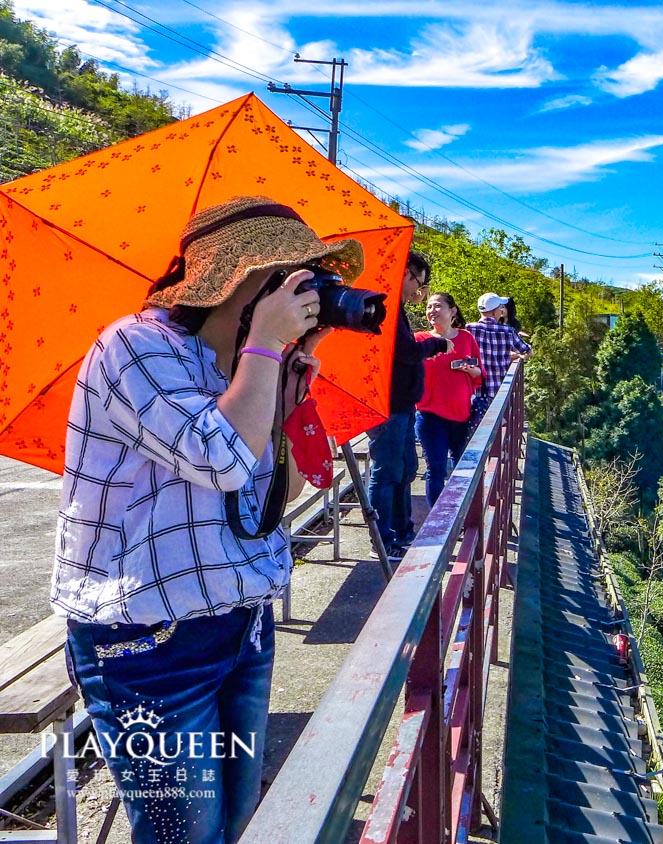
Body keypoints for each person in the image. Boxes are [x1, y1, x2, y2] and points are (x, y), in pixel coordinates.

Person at [52, 196, 349, 843]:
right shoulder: (135, 344)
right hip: (150, 642)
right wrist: (268, 350)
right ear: (238, 278)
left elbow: (278, 494)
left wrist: (288, 388)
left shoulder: (246, 367)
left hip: (241, 627)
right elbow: (219, 460)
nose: (302, 298)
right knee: (185, 839)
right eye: (290, 280)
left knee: (239, 825)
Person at [365, 252, 450, 559]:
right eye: (420, 282)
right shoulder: (385, 306)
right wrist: (437, 344)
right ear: (407, 274)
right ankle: (382, 540)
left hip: (401, 403)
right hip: (388, 404)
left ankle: (401, 532)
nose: (420, 290)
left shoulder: (394, 307)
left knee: (404, 470)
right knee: (387, 472)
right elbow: (404, 350)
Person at [415, 292, 482, 504]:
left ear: (452, 311)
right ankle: (435, 524)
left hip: (462, 416)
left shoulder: (466, 338)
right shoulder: (420, 340)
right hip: (429, 416)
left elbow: (480, 374)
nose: (432, 311)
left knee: (462, 468)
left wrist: (471, 370)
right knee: (436, 468)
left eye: (437, 306)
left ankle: (458, 514)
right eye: (429, 307)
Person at [466, 292, 531, 429]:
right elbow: (526, 350)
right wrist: (517, 356)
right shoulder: (508, 331)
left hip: (475, 392)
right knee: (497, 432)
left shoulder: (469, 329)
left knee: (474, 434)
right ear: (496, 311)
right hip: (499, 392)